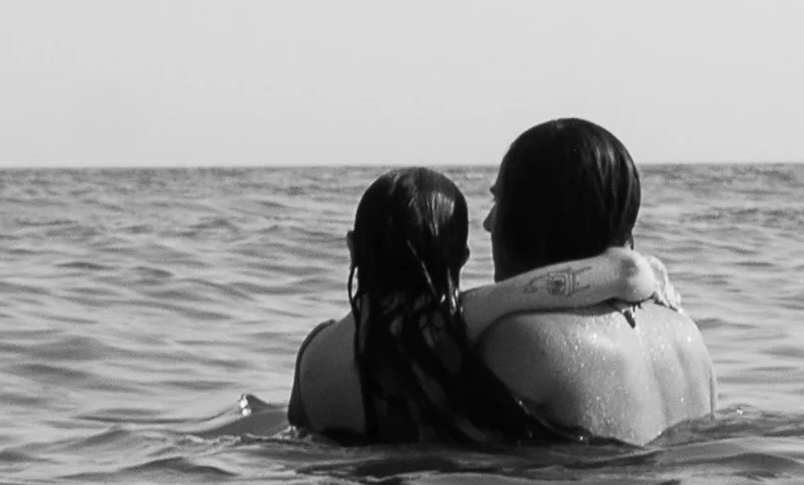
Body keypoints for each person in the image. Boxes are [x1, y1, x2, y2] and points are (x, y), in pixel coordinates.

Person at [288, 166, 674, 444]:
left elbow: (299, 434)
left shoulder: (314, 351)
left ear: (352, 246)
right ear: (462, 257)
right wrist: (651, 268)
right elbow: (625, 272)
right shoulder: (454, 324)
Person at [469, 118, 714, 444]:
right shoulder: (688, 336)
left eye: (499, 203)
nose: (488, 224)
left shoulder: (521, 339)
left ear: (532, 217)